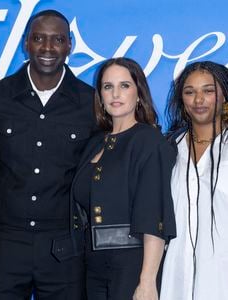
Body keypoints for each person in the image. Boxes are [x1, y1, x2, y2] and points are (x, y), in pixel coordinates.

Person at [0, 9, 95, 300]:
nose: (47, 47)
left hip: (65, 248)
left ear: (70, 46)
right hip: (5, 245)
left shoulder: (91, 103)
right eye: (39, 38)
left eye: (57, 40)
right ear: (25, 43)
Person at [71, 57, 176, 300]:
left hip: (132, 264)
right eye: (108, 87)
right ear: (100, 96)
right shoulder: (95, 143)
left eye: (124, 85)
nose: (115, 94)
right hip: (92, 265)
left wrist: (147, 281)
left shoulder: (149, 141)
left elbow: (155, 214)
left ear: (139, 93)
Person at [160, 61, 228, 300]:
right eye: (190, 92)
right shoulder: (168, 149)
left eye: (208, 91)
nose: (199, 100)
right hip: (175, 277)